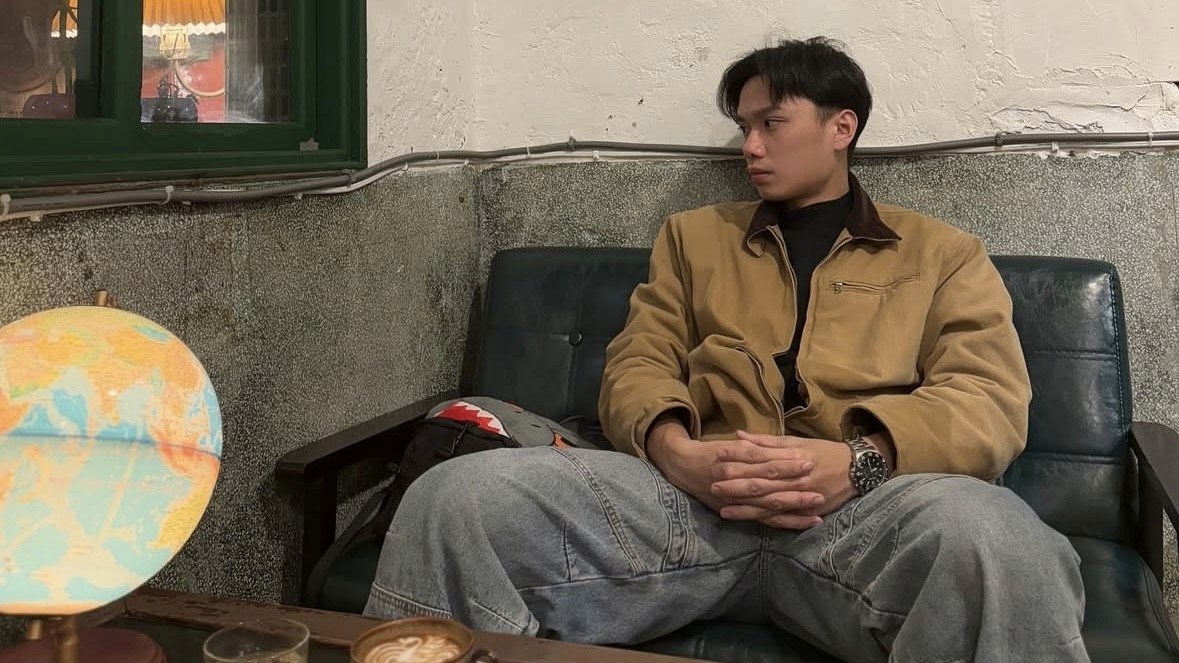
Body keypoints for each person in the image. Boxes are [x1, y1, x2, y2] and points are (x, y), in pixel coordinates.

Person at [365, 37, 1089, 663]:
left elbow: (988, 402)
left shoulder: (942, 254)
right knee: (456, 498)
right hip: (687, 507)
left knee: (1000, 540)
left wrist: (859, 462)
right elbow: (638, 362)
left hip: (863, 515)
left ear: (841, 126)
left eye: (772, 123)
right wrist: (677, 452)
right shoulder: (694, 237)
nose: (750, 147)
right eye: (745, 126)